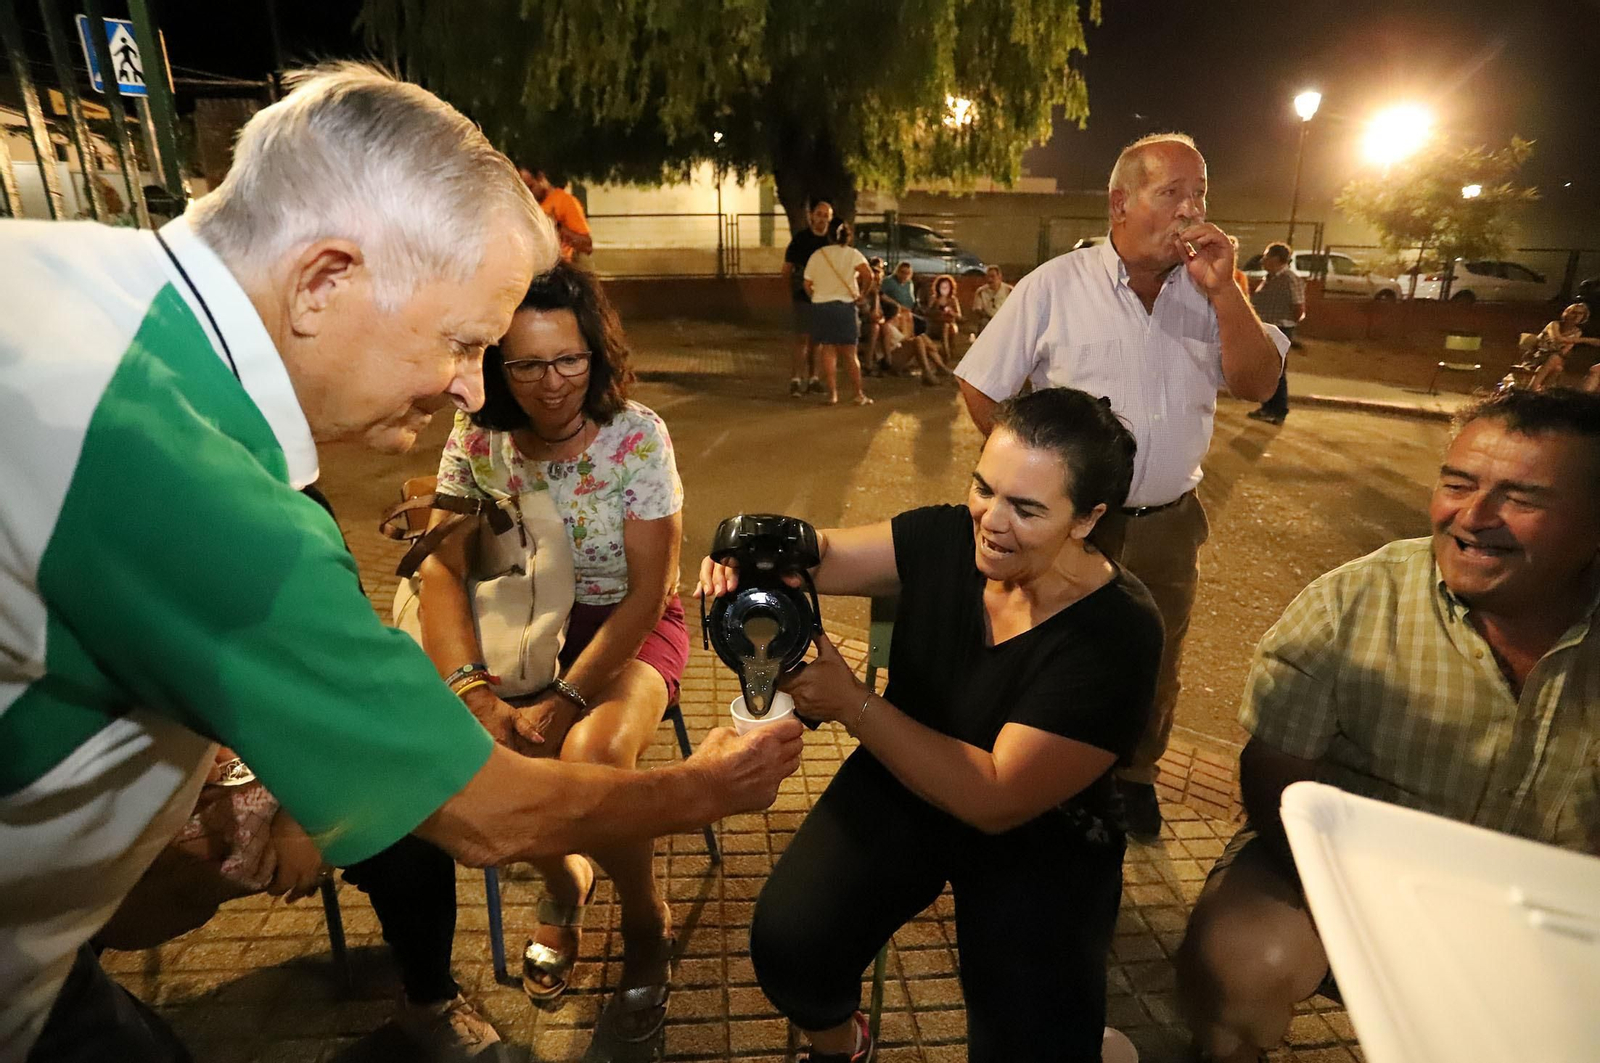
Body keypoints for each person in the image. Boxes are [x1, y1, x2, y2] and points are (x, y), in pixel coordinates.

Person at [0, 62, 802, 1063]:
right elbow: (482, 809)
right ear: (327, 278)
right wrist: (707, 786)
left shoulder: (59, 280)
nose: (471, 393)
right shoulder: (179, 472)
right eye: (464, 344)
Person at [702, 388, 1166, 1063]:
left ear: (1088, 517)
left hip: (1044, 830)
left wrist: (852, 701)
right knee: (791, 943)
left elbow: (997, 795)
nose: (991, 520)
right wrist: (747, 562)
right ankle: (843, 1045)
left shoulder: (1119, 629)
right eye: (985, 486)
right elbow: (821, 553)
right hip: (904, 775)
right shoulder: (948, 533)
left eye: (1026, 507)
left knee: (1030, 1041)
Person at [1175, 387, 1600, 1063]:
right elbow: (1274, 778)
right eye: (1457, 483)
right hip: (1349, 888)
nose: (1472, 515)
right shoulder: (1356, 600)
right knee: (1248, 955)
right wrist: (1364, 901)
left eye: (1521, 498)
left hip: (1557, 914)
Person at [953, 132, 1286, 837]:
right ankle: (1033, 768)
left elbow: (1260, 383)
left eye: (1200, 195)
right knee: (1053, 643)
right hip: (1072, 522)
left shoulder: (1217, 294)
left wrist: (1227, 294)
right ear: (1120, 203)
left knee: (1156, 650)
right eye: (1172, 193)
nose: (1192, 211)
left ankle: (1134, 775)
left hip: (1168, 518)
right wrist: (1031, 481)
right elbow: (980, 385)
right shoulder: (1054, 287)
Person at [422, 260, 688, 1041]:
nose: (550, 383)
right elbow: (441, 559)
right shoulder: (477, 434)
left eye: (569, 359)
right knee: (500, 750)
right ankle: (565, 878)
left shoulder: (638, 437)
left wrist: (568, 695)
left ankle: (643, 918)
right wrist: (474, 690)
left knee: (596, 749)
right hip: (524, 618)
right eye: (527, 364)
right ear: (498, 368)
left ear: (597, 354)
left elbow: (650, 590)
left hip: (628, 622)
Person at [803, 221, 875, 406]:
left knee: (828, 350)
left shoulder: (818, 255)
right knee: (850, 354)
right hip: (844, 307)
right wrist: (862, 294)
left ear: (828, 235)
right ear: (848, 236)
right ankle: (858, 394)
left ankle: (832, 394)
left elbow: (807, 283)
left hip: (821, 306)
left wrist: (817, 295)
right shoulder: (852, 254)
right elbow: (869, 275)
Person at [1246, 243, 1306, 425]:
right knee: (1265, 370)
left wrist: (1287, 325)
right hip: (1265, 329)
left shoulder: (1290, 279)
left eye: (1266, 257)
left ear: (1277, 259)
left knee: (1277, 370)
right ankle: (1267, 407)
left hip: (1280, 328)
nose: (1262, 260)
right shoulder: (1269, 278)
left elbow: (1299, 308)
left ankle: (1279, 410)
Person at [782, 199, 834, 397]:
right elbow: (787, 268)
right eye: (818, 214)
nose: (821, 219)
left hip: (824, 296)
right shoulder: (800, 240)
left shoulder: (830, 242)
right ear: (812, 215)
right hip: (803, 295)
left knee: (817, 341)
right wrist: (790, 292)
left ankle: (814, 378)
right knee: (802, 338)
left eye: (825, 216)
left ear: (829, 219)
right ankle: (796, 379)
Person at [518, 165, 594, 263]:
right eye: (524, 189)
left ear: (540, 178)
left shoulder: (565, 201)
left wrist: (556, 228)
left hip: (559, 269)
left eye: (530, 187)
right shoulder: (527, 205)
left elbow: (587, 246)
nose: (528, 193)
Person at [1527, 303, 1600, 390]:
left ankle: (1542, 390)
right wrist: (1588, 340)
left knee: (1558, 367)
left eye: (1580, 314)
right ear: (1567, 313)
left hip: (1552, 359)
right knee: (1555, 358)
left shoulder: (1577, 332)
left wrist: (1562, 353)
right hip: (1537, 355)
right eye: (1574, 312)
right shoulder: (1554, 324)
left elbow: (1564, 351)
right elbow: (1557, 339)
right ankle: (1532, 388)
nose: (1576, 316)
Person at [926, 273, 963, 364]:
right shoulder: (934, 299)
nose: (944, 289)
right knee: (944, 327)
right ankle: (947, 354)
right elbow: (927, 313)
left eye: (947, 287)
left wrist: (951, 313)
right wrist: (936, 308)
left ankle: (946, 353)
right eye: (942, 287)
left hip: (950, 324)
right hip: (936, 325)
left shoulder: (953, 300)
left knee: (946, 327)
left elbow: (959, 316)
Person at [971, 264, 1012, 334]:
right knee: (983, 323)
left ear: (999, 277)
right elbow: (978, 309)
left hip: (1005, 319)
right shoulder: (981, 292)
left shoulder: (1009, 290)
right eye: (988, 277)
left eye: (993, 276)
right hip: (988, 319)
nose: (990, 279)